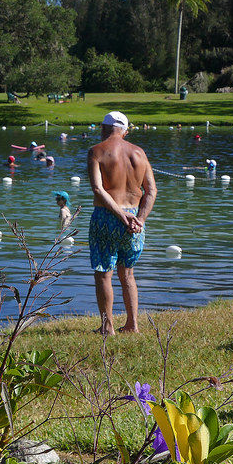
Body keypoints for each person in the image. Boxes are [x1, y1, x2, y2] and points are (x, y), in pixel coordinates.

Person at [87, 111, 157, 335]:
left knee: (103, 273)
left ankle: (107, 327)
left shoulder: (96, 151)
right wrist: (140, 219)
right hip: (135, 219)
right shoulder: (139, 153)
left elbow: (98, 189)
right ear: (125, 131)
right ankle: (132, 325)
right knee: (127, 274)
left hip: (107, 215)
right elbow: (151, 191)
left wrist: (119, 214)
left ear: (103, 128)